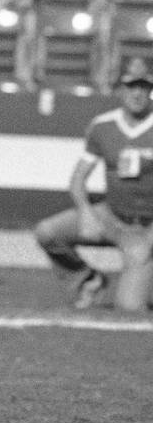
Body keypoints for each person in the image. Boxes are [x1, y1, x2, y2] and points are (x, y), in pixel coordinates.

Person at [34, 57, 153, 312]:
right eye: (131, 86)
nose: (138, 93)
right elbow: (78, 179)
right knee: (48, 232)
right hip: (112, 215)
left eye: (144, 86)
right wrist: (87, 213)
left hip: (147, 225)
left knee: (130, 307)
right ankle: (88, 279)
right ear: (120, 88)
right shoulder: (103, 126)